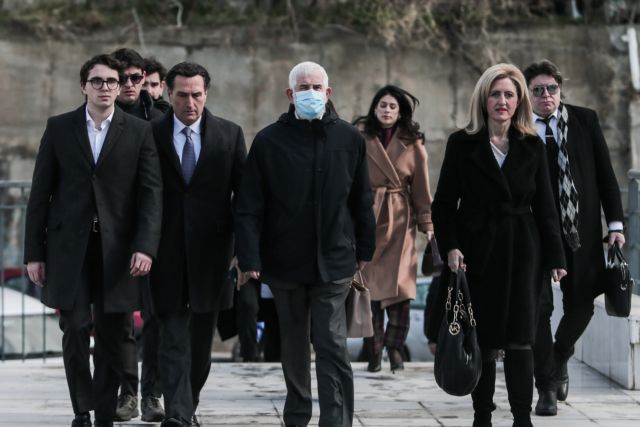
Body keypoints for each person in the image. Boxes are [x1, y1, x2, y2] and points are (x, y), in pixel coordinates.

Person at [24, 53, 162, 427]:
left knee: (113, 333)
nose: (105, 87)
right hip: (69, 249)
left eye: (112, 81)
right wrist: (34, 253)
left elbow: (151, 194)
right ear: (84, 86)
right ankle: (81, 408)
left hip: (118, 252)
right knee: (74, 327)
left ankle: (102, 416)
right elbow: (40, 193)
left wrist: (145, 246)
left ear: (120, 88)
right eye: (97, 81)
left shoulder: (139, 132)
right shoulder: (59, 127)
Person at [235, 61, 376, 427]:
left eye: (316, 87)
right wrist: (249, 257)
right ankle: (297, 415)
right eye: (303, 87)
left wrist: (365, 249)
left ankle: (336, 419)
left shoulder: (349, 139)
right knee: (293, 343)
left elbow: (362, 199)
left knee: (331, 341)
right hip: (285, 261)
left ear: (328, 93)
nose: (310, 93)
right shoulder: (268, 141)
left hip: (335, 259)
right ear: (290, 93)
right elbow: (249, 205)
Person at [430, 63, 567, 427]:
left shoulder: (533, 145)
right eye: (495, 94)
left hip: (523, 251)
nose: (502, 101)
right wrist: (451, 246)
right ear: (484, 99)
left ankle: (522, 417)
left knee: (522, 339)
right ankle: (482, 417)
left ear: (519, 100)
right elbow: (443, 204)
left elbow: (546, 207)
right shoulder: (462, 143)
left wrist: (555, 256)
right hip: (477, 251)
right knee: (485, 339)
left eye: (509, 94)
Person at [522, 59, 626, 416]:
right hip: (535, 231)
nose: (546, 95)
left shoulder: (584, 120)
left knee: (581, 302)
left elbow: (606, 176)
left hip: (580, 230)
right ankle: (546, 387)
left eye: (552, 88)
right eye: (538, 90)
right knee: (538, 308)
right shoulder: (519, 128)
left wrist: (615, 226)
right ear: (528, 94)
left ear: (560, 89)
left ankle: (559, 355)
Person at [150, 61, 246, 427]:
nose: (189, 103)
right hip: (165, 252)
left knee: (201, 342)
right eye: (182, 95)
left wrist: (244, 252)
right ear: (169, 93)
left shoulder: (229, 135)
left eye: (196, 95)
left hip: (213, 254)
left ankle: (186, 405)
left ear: (206, 94)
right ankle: (178, 413)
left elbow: (245, 199)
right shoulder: (151, 135)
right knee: (172, 335)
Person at [354, 85, 433, 373]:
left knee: (402, 289)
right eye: (382, 105)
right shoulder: (360, 139)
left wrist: (427, 223)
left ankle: (395, 348)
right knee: (369, 291)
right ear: (374, 108)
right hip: (369, 217)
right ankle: (374, 351)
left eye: (392, 106)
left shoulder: (413, 144)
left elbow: (421, 187)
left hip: (400, 220)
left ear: (400, 113)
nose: (387, 110)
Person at [111, 46, 165, 423]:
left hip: (155, 233)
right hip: (112, 235)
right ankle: (127, 391)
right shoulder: (99, 118)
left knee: (156, 317)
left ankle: (152, 394)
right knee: (119, 319)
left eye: (136, 77)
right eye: (123, 78)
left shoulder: (161, 120)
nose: (130, 84)